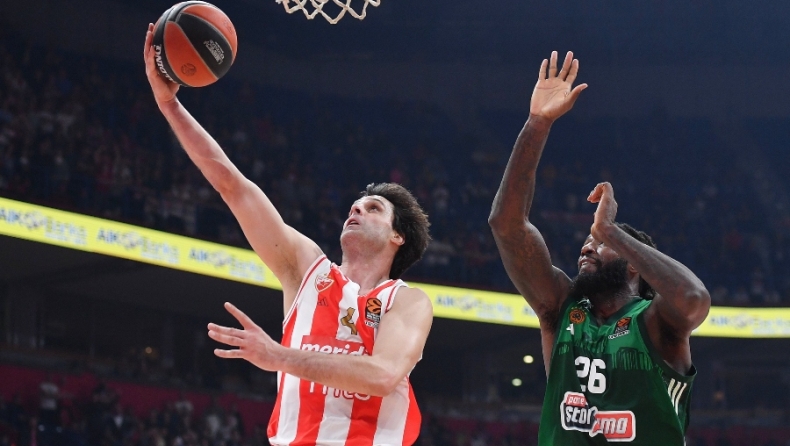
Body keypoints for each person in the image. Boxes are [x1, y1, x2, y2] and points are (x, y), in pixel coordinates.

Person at [143, 24, 433, 446]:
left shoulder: (407, 301)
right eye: (355, 205)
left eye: (374, 209)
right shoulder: (306, 269)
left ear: (397, 237)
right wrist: (169, 105)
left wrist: (277, 356)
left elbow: (383, 375)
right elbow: (233, 187)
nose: (356, 209)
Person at [488, 51, 711, 445]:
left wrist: (611, 230)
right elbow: (506, 226)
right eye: (588, 241)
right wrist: (537, 123)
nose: (587, 248)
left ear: (634, 265)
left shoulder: (657, 321)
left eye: (601, 244)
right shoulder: (561, 307)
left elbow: (693, 298)